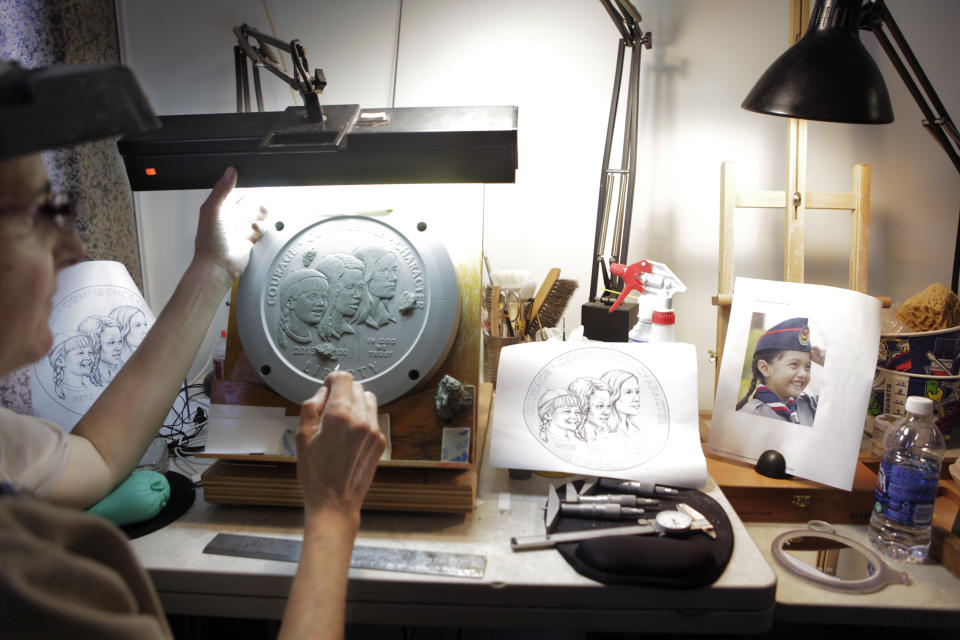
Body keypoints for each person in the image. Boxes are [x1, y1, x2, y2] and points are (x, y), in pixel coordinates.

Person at [0, 60, 386, 638]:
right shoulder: (23, 576)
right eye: (41, 214)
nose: (73, 247)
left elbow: (96, 459)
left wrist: (211, 268)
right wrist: (332, 513)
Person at [736, 317, 822, 426]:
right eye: (794, 364)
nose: (803, 374)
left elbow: (844, 395)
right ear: (765, 368)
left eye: (808, 366)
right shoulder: (749, 416)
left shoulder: (810, 406)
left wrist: (824, 359)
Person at [315, 253, 365, 340]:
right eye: (350, 287)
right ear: (329, 287)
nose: (358, 295)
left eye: (360, 288)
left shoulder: (348, 329)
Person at [277, 268, 329, 349]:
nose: (321, 303)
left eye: (324, 297)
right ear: (290, 302)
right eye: (311, 297)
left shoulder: (324, 338)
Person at [351, 245, 399, 328]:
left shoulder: (385, 316)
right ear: (365, 275)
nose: (394, 278)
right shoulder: (345, 318)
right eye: (383, 270)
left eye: (394, 269)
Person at [77, 314, 124, 386]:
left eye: (120, 341)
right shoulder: (83, 383)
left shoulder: (117, 375)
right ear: (94, 345)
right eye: (111, 342)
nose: (119, 348)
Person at [47, 332, 96, 401]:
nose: (88, 357)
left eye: (90, 353)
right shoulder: (59, 391)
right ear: (60, 361)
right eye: (80, 353)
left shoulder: (95, 388)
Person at [567, 377, 612, 442]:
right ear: (583, 406)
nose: (607, 412)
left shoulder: (607, 437)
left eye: (608, 406)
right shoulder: (569, 438)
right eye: (600, 406)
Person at [600, 369, 642, 436]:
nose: (636, 398)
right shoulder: (600, 433)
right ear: (611, 396)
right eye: (628, 392)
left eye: (637, 392)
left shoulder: (637, 432)